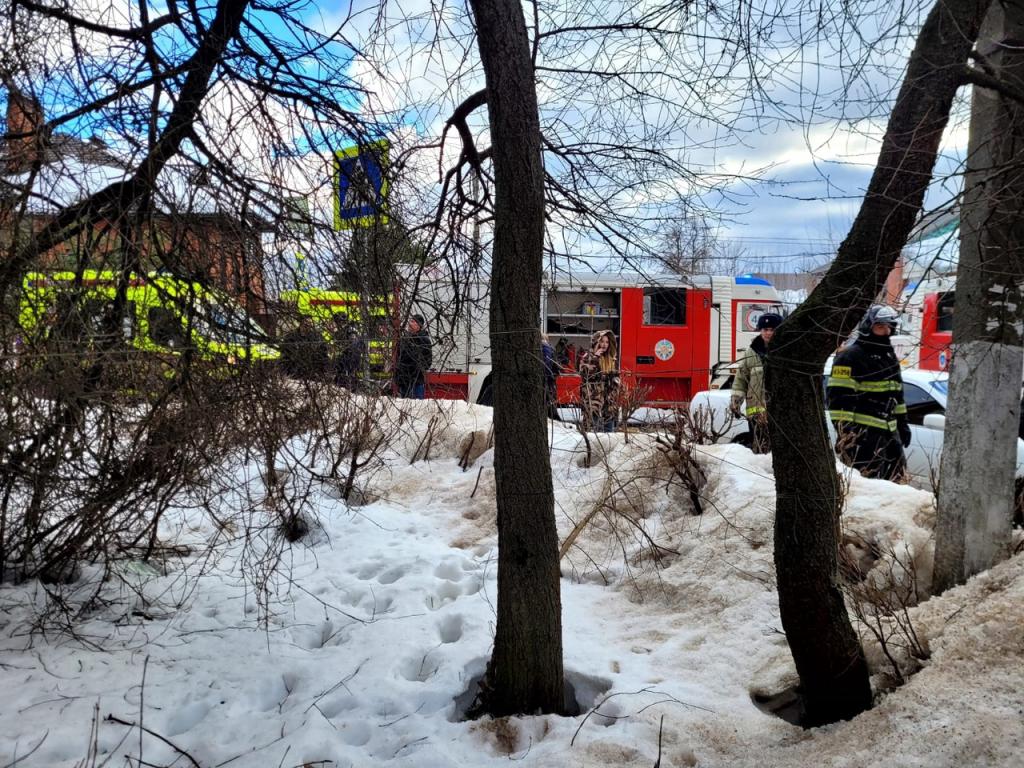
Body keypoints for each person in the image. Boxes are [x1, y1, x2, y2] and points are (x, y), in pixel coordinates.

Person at [827, 304, 910, 481]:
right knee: (866, 491)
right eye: (880, 327)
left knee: (897, 486)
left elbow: (897, 396)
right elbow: (839, 402)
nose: (886, 331)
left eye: (889, 327)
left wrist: (903, 424)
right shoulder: (850, 357)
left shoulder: (888, 357)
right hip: (864, 439)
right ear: (867, 328)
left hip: (889, 436)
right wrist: (849, 438)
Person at [730, 312, 782, 453]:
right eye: (765, 330)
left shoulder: (785, 351)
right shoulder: (751, 353)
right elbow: (740, 379)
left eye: (772, 330)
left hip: (779, 413)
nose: (768, 333)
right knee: (759, 450)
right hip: (756, 414)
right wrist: (736, 401)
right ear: (760, 330)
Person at [577, 329, 620, 432]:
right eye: (602, 341)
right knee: (592, 428)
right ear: (596, 342)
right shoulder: (588, 357)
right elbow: (584, 373)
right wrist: (595, 357)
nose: (604, 344)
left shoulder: (611, 359)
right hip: (593, 400)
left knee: (609, 430)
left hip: (608, 400)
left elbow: (616, 376)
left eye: (607, 342)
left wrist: (615, 382)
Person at [394, 314, 432, 398]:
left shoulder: (423, 340)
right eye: (410, 321)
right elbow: (398, 359)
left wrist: (415, 369)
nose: (410, 324)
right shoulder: (404, 339)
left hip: (416, 382)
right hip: (403, 382)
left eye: (413, 321)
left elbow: (427, 362)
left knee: (417, 407)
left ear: (419, 325)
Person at [334, 321, 365, 391]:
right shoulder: (358, 337)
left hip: (350, 359)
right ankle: (350, 386)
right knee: (350, 373)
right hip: (352, 359)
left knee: (349, 373)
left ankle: (349, 386)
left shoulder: (349, 335)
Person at [541, 333, 559, 417]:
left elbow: (546, 364)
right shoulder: (551, 348)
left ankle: (552, 417)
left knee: (547, 400)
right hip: (551, 378)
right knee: (550, 400)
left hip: (546, 378)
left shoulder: (544, 348)